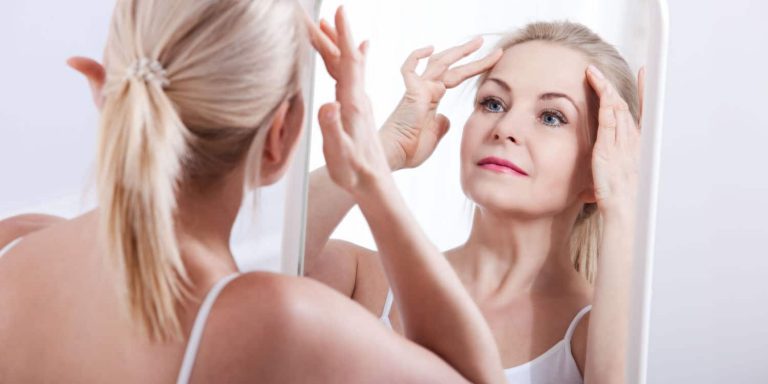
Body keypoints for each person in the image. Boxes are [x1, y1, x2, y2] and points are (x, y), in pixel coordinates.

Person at [0, 1, 508, 382]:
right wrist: (371, 172)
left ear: (99, 87)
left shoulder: (14, 243)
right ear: (282, 136)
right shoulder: (272, 318)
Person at [306, 19, 645, 383]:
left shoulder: (592, 333)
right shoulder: (362, 279)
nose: (506, 128)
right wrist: (381, 150)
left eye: (551, 117)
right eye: (494, 103)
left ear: (600, 166)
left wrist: (625, 205)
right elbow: (255, 260)